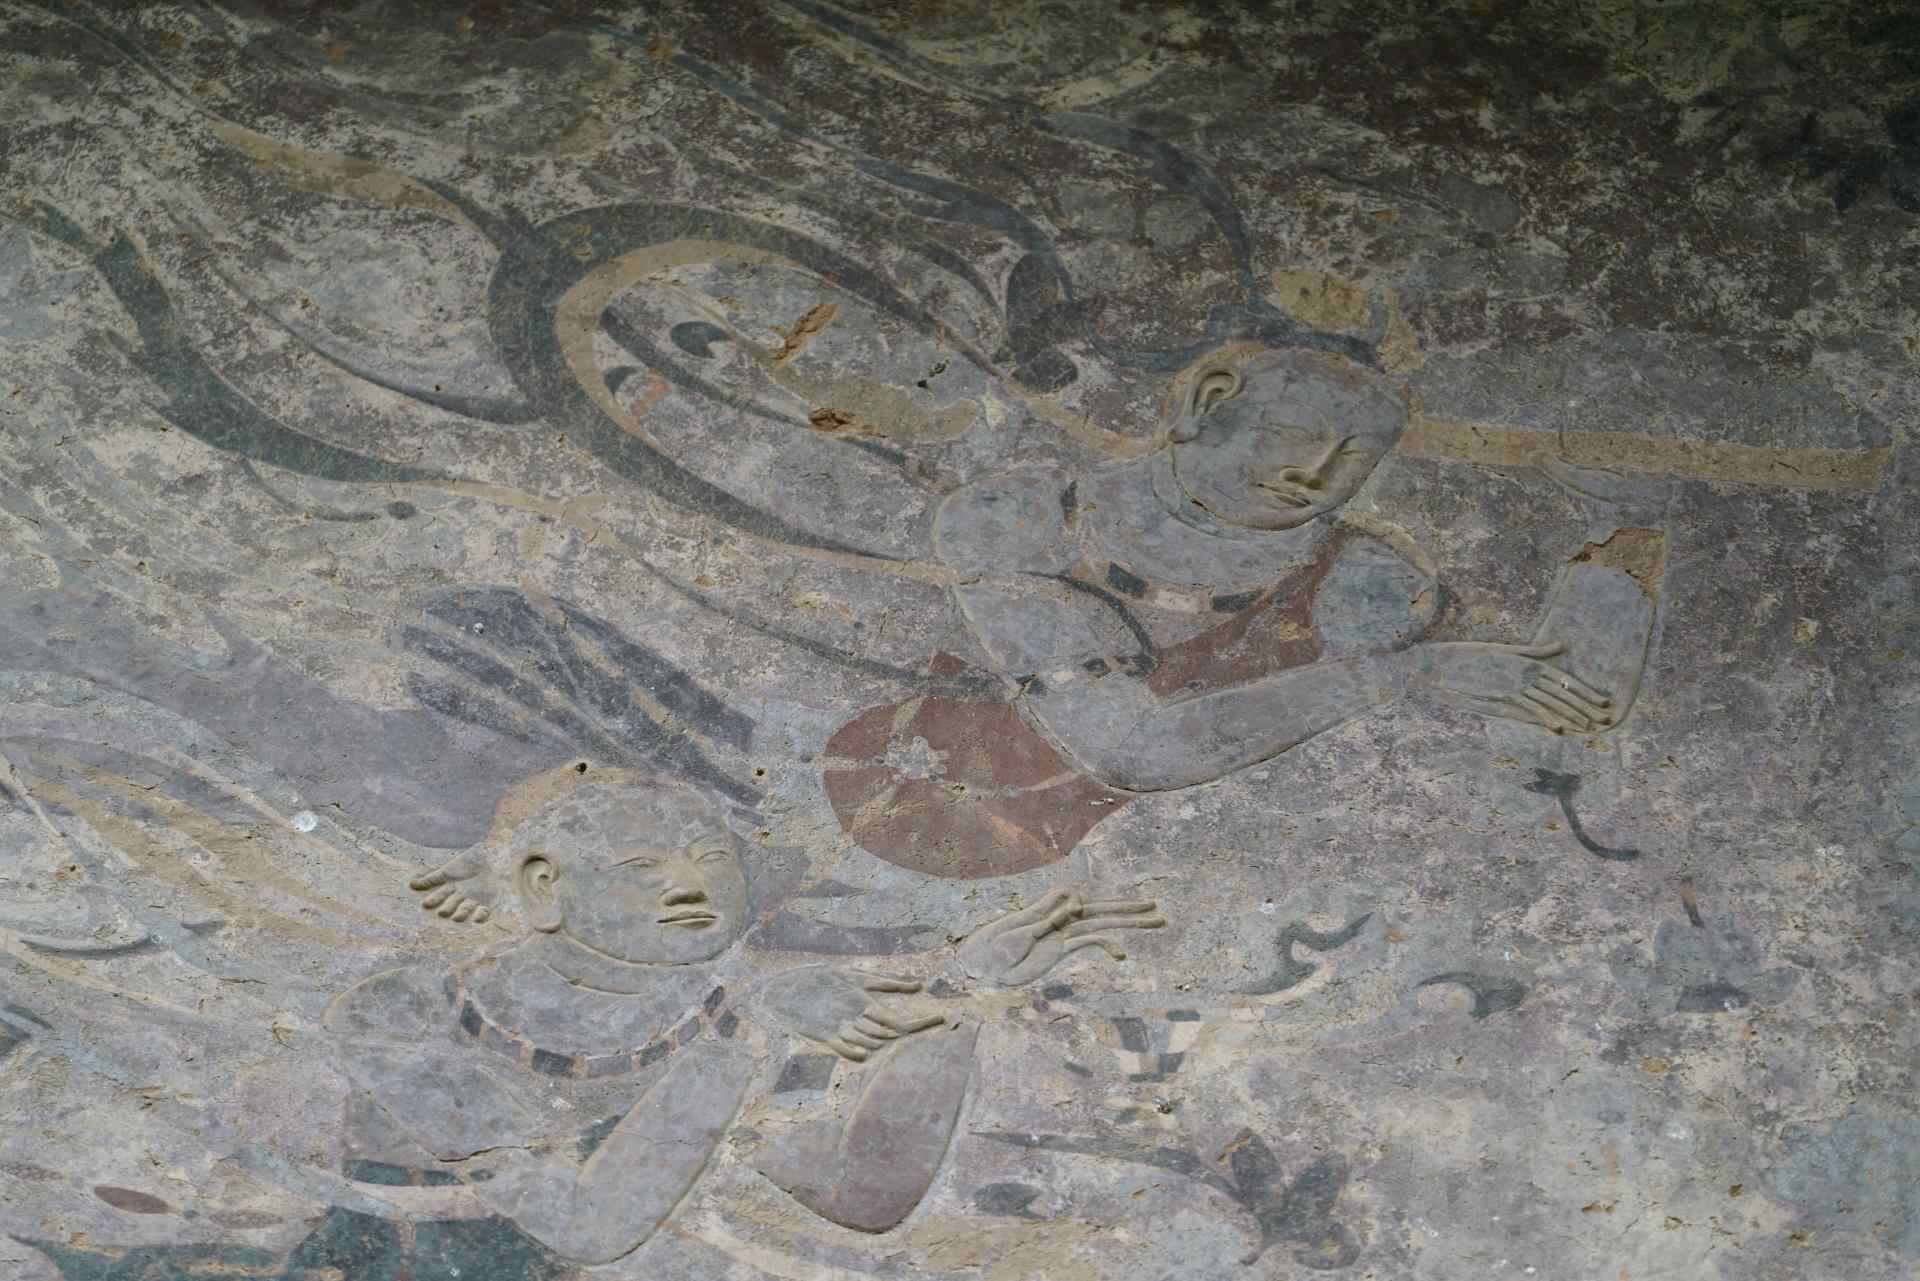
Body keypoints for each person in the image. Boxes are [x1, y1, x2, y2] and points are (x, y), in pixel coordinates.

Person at [299, 770, 1162, 1275]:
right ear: (541, 886)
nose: (689, 886)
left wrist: (961, 1002)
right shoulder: (400, 1010)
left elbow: (861, 1189)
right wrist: (741, 1030)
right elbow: (588, 1223)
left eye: (713, 860)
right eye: (642, 865)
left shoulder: (731, 1014)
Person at [931, 343, 1662, 792]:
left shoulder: (1359, 578)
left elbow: (1571, 698)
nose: (1313, 474)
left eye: (1354, 459)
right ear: (1207, 400)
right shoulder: (1024, 518)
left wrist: (1626, 531)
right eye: (1291, 433)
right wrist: (1406, 673)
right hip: (950, 801)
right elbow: (1132, 749)